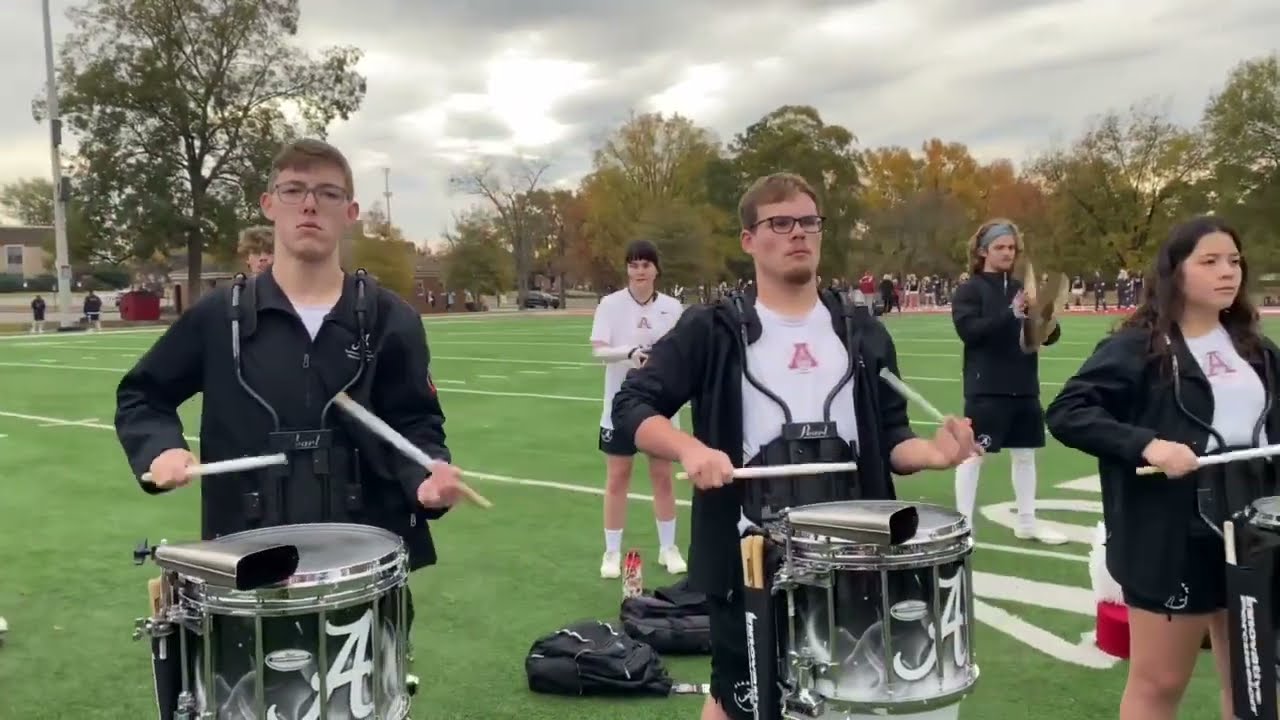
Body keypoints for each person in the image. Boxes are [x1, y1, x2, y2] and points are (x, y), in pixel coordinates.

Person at [611, 172, 980, 720]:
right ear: (748, 239)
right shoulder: (713, 329)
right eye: (779, 223)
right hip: (751, 557)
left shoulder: (861, 332)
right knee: (738, 699)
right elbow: (632, 406)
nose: (797, 234)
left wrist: (934, 453)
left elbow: (892, 439)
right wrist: (690, 449)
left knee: (845, 699)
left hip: (855, 556)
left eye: (808, 222)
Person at [114, 136, 464, 607]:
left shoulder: (391, 319)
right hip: (246, 562)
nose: (310, 205)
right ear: (268, 205)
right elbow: (143, 396)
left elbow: (416, 422)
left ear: (350, 212)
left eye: (328, 193)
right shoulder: (219, 318)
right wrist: (161, 450)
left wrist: (426, 475)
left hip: (365, 564)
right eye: (294, 190)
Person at [1046, 215, 1280, 720]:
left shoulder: (1254, 349)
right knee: (1159, 683)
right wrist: (1149, 445)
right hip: (1173, 535)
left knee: (1253, 681)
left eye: (1234, 261)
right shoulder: (1138, 347)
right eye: (1210, 261)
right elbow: (1069, 413)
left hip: (1256, 530)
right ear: (1175, 272)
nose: (1228, 272)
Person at [950, 219, 1067, 545]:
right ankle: (963, 526)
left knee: (1025, 455)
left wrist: (1045, 315)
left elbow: (1049, 337)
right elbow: (970, 332)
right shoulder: (969, 289)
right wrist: (1009, 315)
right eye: (1000, 247)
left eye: (1011, 248)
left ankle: (1027, 522)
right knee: (973, 454)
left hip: (1024, 384)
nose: (1007, 253)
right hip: (986, 387)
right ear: (983, 250)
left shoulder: (1021, 288)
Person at [589, 238, 687, 578]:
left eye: (645, 264)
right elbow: (598, 350)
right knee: (618, 477)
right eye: (633, 264)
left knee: (662, 477)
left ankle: (668, 547)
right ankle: (612, 552)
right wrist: (628, 352)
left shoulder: (673, 308)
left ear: (656, 269)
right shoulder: (610, 305)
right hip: (619, 405)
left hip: (660, 405)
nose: (639, 271)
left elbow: (682, 353)